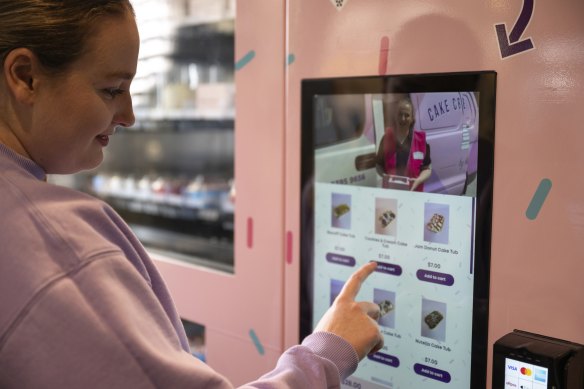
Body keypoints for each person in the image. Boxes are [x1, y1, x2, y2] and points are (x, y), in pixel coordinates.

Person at [0, 1, 383, 388]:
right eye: (111, 89)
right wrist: (326, 353)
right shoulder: (58, 246)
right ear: (25, 76)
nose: (129, 115)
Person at [376, 95, 432, 191]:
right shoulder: (386, 139)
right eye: (400, 114)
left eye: (406, 115)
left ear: (411, 119)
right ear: (395, 116)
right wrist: (385, 176)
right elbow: (378, 165)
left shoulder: (420, 141)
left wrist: (419, 180)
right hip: (391, 194)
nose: (402, 118)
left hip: (413, 194)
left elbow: (427, 169)